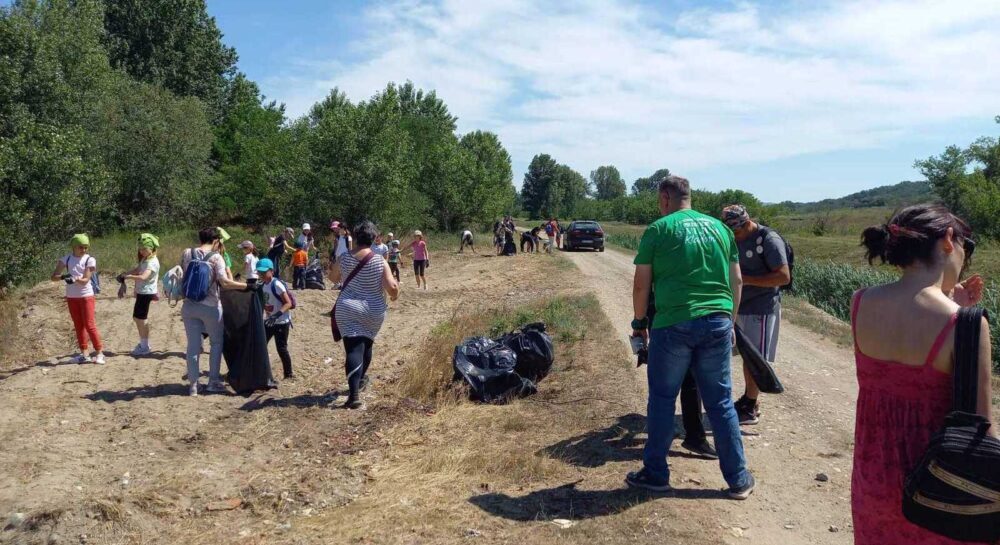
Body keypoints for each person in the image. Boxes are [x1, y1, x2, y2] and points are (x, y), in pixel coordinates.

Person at [852, 205, 995, 544]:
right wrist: (957, 309)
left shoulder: (860, 302)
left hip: (873, 482)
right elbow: (980, 431)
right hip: (938, 492)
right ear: (948, 240)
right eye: (967, 246)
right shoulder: (967, 325)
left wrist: (949, 299)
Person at [627, 175, 754, 499]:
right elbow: (736, 281)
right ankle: (738, 480)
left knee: (662, 398)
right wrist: (730, 320)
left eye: (659, 201)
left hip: (673, 325)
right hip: (716, 322)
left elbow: (642, 284)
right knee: (721, 402)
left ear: (666, 198)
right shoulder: (722, 229)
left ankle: (656, 474)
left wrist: (640, 322)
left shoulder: (659, 229)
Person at [722, 205, 790, 426]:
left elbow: (783, 276)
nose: (735, 237)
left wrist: (744, 279)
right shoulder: (734, 237)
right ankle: (749, 400)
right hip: (739, 306)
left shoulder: (768, 240)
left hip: (761, 308)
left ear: (747, 223)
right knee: (746, 357)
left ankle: (750, 406)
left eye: (738, 231)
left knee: (755, 359)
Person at [330, 221, 400, 409]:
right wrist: (395, 296)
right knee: (367, 343)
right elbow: (392, 287)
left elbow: (332, 278)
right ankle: (360, 380)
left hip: (347, 308)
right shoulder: (379, 260)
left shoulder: (344, 258)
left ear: (357, 237)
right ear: (373, 238)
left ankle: (353, 396)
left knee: (353, 348)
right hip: (373, 310)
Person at [180, 227, 247, 396]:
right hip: (210, 306)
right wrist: (246, 285)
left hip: (188, 305)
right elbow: (224, 282)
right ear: (216, 241)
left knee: (193, 347)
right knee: (216, 343)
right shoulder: (217, 258)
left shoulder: (187, 253)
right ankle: (213, 382)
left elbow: (183, 274)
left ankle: (193, 386)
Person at [51, 234, 105, 364]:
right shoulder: (66, 259)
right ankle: (84, 354)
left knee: (89, 325)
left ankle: (99, 353)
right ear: (74, 247)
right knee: (78, 325)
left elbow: (85, 280)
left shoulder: (89, 259)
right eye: (81, 247)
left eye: (86, 247)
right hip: (72, 297)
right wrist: (64, 277)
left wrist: (74, 278)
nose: (84, 250)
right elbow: (54, 277)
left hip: (86, 296)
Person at [121, 233, 160, 356]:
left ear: (151, 248)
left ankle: (145, 346)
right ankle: (144, 344)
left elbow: (143, 277)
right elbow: (138, 269)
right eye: (141, 249)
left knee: (140, 319)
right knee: (138, 318)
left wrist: (129, 277)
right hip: (142, 292)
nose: (142, 251)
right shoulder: (145, 259)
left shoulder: (152, 262)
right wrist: (125, 273)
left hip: (146, 292)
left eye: (144, 249)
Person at [257, 258, 295, 379]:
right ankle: (259, 372)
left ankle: (288, 374)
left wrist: (276, 315)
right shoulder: (262, 285)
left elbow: (288, 303)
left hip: (281, 322)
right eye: (259, 272)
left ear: (272, 271)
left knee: (281, 348)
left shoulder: (277, 284)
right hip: (269, 321)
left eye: (264, 272)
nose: (261, 274)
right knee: (260, 345)